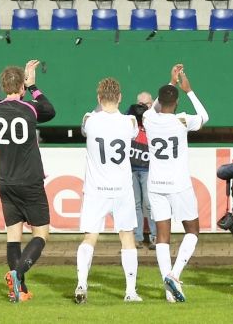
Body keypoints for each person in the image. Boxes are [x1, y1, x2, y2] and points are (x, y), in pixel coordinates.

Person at [0, 60, 56, 303]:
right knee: (41, 234)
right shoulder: (29, 109)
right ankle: (17, 274)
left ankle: (20, 290)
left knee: (13, 236)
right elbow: (49, 109)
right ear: (22, 88)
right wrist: (34, 85)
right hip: (30, 180)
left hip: (5, 181)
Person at [144, 64, 209, 302]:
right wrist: (188, 90)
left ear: (159, 101)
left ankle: (168, 290)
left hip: (156, 184)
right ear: (177, 102)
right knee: (192, 229)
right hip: (178, 184)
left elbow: (154, 107)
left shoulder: (148, 118)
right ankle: (175, 274)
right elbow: (205, 117)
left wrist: (170, 83)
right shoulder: (182, 120)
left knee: (162, 235)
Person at [74, 78, 142, 304]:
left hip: (96, 190)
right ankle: (130, 291)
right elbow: (132, 132)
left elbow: (87, 126)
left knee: (89, 237)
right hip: (121, 189)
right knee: (127, 238)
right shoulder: (130, 122)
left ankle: (82, 282)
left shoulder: (89, 120)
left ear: (98, 98)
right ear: (120, 97)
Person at [127, 92, 155, 250]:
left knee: (150, 204)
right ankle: (137, 237)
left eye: (147, 104)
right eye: (140, 103)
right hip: (131, 167)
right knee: (135, 204)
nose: (143, 107)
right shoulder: (130, 118)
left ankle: (155, 237)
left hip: (148, 168)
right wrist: (133, 110)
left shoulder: (154, 119)